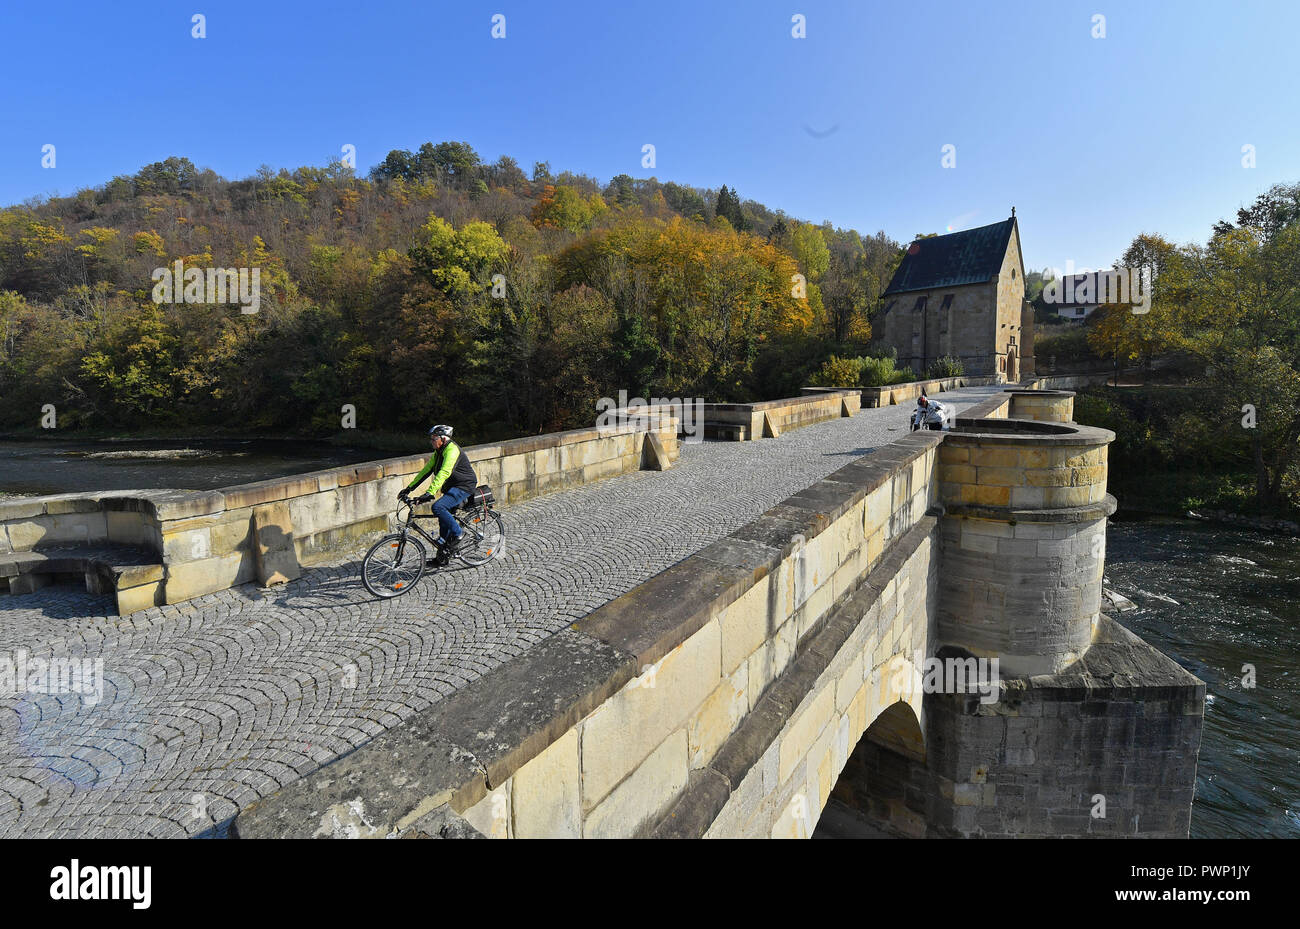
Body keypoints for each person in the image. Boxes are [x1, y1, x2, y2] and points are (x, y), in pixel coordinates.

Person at [398, 424, 478, 564]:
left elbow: (444, 472)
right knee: (443, 521)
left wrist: (430, 492)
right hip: (451, 486)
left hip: (464, 486)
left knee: (438, 507)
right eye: (431, 438)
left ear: (443, 438)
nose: (431, 441)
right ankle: (442, 558)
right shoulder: (439, 451)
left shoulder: (452, 450)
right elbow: (426, 470)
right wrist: (409, 488)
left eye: (434, 438)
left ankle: (459, 533)